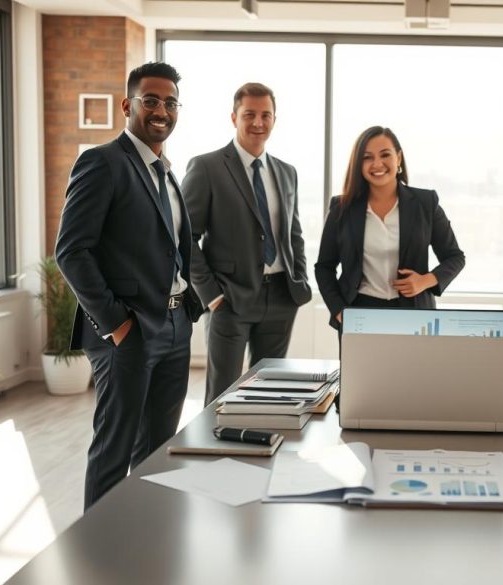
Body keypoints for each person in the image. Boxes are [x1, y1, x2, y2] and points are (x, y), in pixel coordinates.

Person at [56, 62, 203, 510]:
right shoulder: (102, 163)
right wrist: (117, 324)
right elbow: (71, 251)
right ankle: (96, 563)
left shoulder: (167, 170)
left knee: (158, 449)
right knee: (114, 450)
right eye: (152, 100)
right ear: (128, 105)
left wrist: (186, 312)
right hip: (129, 332)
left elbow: (172, 248)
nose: (162, 110)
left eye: (171, 102)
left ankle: (143, 541)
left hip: (175, 326)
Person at [182, 82, 312, 407]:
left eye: (265, 115)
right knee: (222, 397)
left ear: (274, 119)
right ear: (234, 117)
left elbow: (293, 234)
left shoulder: (287, 172)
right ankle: (214, 457)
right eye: (249, 114)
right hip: (229, 300)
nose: (258, 122)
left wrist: (299, 279)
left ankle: (261, 454)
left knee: (269, 393)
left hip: (281, 297)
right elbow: (183, 237)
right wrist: (210, 295)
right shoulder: (207, 167)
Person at [315, 126, 465, 329]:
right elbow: (324, 267)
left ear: (399, 158)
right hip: (359, 313)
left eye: (385, 154)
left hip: (414, 314)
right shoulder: (342, 209)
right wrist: (340, 311)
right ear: (358, 164)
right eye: (367, 157)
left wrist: (426, 280)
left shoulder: (425, 203)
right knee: (362, 363)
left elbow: (454, 257)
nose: (377, 164)